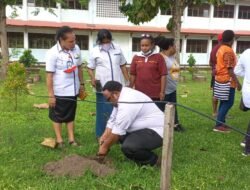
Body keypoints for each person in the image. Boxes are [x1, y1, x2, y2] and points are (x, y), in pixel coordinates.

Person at [96, 81, 164, 166]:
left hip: (157, 130)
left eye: (108, 99)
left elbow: (117, 131)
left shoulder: (127, 101)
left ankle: (154, 161)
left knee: (129, 147)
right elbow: (112, 121)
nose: (108, 102)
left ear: (115, 94)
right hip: (144, 128)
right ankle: (138, 151)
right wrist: (104, 136)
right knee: (116, 137)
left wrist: (104, 148)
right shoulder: (120, 97)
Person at [46, 26, 85, 148]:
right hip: (59, 90)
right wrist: (51, 95)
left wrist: (82, 84)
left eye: (74, 40)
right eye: (71, 41)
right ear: (61, 40)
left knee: (70, 115)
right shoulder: (53, 53)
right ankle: (59, 140)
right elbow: (49, 76)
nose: (74, 43)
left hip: (73, 90)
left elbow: (79, 67)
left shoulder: (76, 49)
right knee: (57, 116)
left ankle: (72, 140)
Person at [87, 29, 129, 138]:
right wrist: (92, 78)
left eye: (108, 40)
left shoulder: (118, 48)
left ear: (111, 39)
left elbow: (123, 65)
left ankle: (118, 135)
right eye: (103, 41)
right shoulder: (95, 51)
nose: (106, 43)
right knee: (102, 111)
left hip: (117, 87)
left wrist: (128, 81)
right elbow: (90, 68)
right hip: (102, 86)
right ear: (99, 41)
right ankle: (101, 134)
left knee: (119, 110)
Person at [213, 30, 241, 133]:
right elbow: (229, 69)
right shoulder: (228, 50)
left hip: (220, 79)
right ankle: (218, 125)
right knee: (229, 102)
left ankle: (221, 123)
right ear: (231, 39)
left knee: (224, 101)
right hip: (227, 81)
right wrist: (238, 82)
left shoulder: (220, 49)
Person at [129, 34, 167, 110]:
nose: (144, 48)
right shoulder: (136, 57)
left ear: (152, 45)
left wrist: (162, 92)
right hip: (140, 93)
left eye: (147, 45)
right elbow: (133, 74)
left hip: (155, 94)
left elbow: (163, 75)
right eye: (142, 45)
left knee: (156, 114)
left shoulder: (158, 57)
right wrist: (130, 88)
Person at [155, 37, 184, 132]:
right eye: (174, 46)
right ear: (170, 47)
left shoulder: (171, 57)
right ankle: (160, 126)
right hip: (164, 89)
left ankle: (175, 124)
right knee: (162, 109)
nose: (176, 48)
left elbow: (174, 71)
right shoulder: (160, 58)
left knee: (173, 107)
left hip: (172, 88)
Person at [234, 48, 250, 156]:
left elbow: (237, 71)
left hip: (247, 91)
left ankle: (246, 142)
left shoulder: (247, 52)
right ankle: (247, 148)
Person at [209, 33, 222, 117]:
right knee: (222, 95)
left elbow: (210, 63)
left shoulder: (214, 49)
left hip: (215, 74)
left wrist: (214, 68)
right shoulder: (222, 49)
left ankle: (215, 112)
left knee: (215, 93)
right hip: (221, 74)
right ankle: (219, 112)